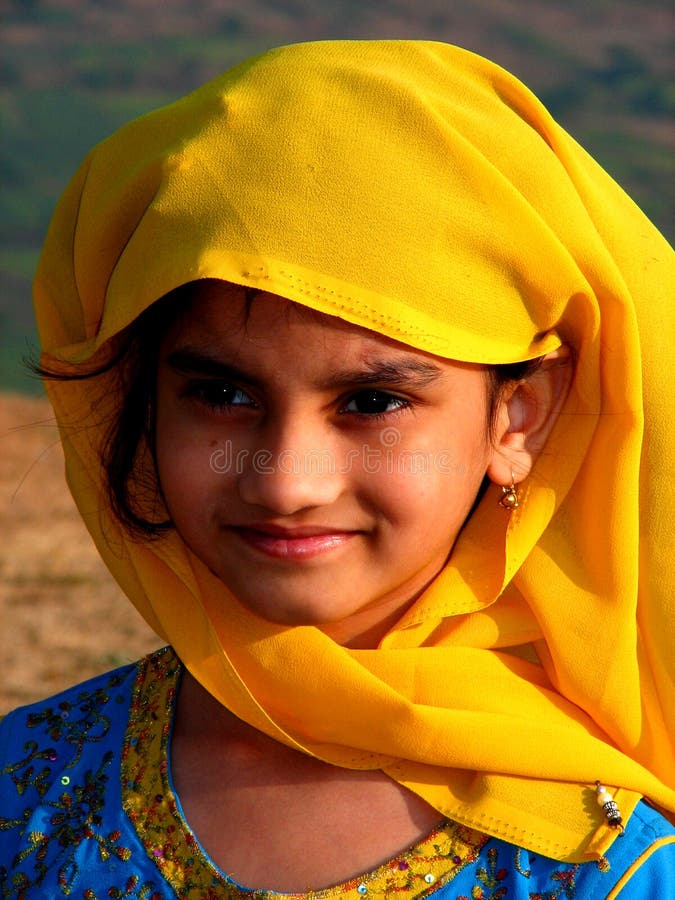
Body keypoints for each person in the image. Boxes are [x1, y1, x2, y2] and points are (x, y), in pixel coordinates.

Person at [0, 40, 673, 898]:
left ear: (518, 416)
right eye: (220, 393)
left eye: (372, 403)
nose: (286, 483)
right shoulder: (28, 791)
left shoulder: (603, 863)